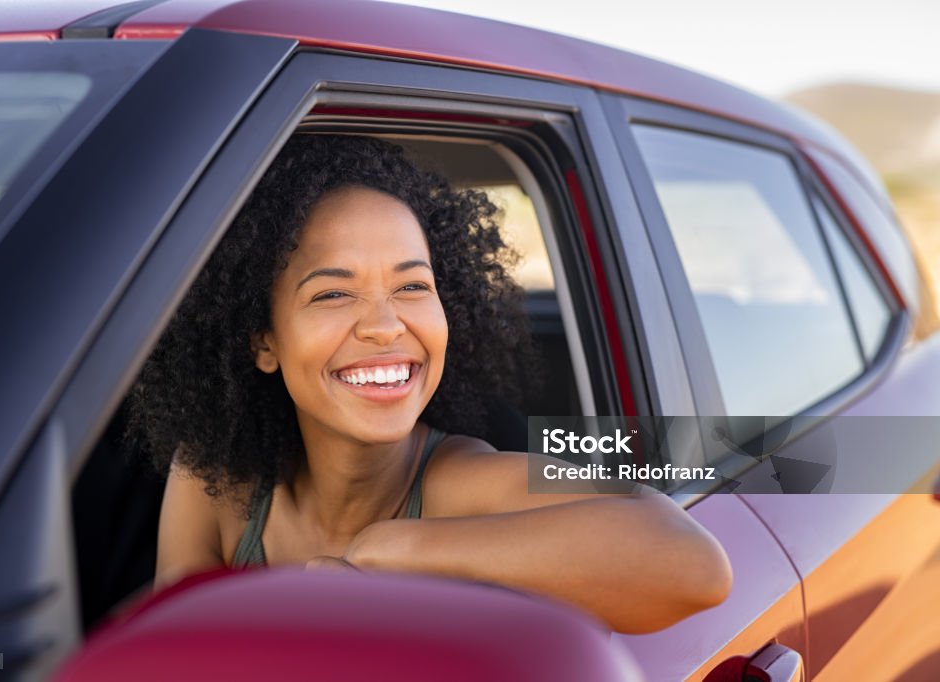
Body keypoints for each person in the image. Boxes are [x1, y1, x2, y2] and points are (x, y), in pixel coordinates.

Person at [126, 134, 732, 634]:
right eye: (333, 293)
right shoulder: (213, 482)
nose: (386, 325)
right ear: (263, 341)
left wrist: (389, 553)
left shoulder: (461, 480)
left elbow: (695, 563)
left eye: (413, 286)